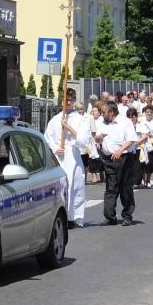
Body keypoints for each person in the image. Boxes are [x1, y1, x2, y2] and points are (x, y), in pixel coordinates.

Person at [44, 88, 92, 228]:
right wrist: (55, 148)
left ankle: (72, 216)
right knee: (61, 186)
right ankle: (60, 216)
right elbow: (48, 138)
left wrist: (68, 127)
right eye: (66, 100)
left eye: (71, 100)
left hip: (73, 154)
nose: (68, 102)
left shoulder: (81, 119)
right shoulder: (54, 120)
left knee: (75, 186)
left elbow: (84, 140)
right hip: (59, 156)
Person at [94, 102, 136, 226]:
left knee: (125, 187)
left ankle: (127, 215)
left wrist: (120, 150)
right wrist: (98, 138)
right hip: (108, 158)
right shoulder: (102, 123)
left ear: (111, 112)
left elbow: (131, 139)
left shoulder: (125, 122)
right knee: (110, 188)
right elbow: (96, 137)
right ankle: (110, 217)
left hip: (123, 158)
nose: (102, 114)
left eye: (104, 112)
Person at [137, 105, 153, 188]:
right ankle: (142, 179)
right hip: (142, 143)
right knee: (142, 162)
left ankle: (148, 179)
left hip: (152, 143)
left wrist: (151, 134)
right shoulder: (140, 120)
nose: (149, 114)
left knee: (150, 163)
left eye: (151, 112)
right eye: (147, 112)